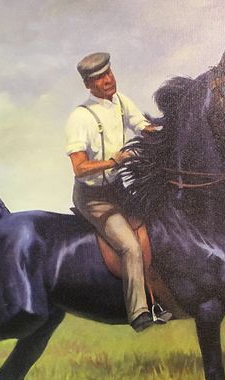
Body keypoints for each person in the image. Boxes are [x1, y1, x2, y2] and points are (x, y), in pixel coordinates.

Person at [65, 52, 170, 332]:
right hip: (93, 197)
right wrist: (113, 161)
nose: (108, 80)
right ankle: (138, 313)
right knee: (130, 246)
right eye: (100, 78)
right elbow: (79, 167)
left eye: (109, 73)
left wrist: (165, 133)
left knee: (154, 228)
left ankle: (160, 299)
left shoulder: (121, 102)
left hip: (117, 189)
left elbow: (143, 127)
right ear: (89, 85)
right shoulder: (80, 117)